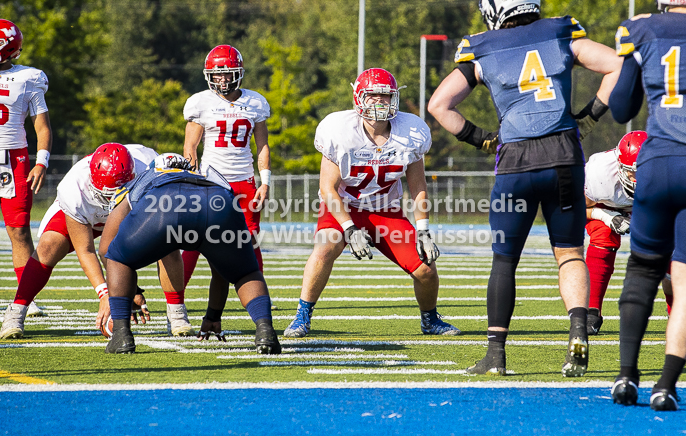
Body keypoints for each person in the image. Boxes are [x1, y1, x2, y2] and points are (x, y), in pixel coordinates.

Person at [428, 0, 622, 377]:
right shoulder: (560, 32)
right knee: (569, 254)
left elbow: (439, 105)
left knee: (505, 260)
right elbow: (617, 63)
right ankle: (578, 332)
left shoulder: (483, 47)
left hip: (516, 162)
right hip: (564, 154)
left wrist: (483, 138)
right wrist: (590, 116)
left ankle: (495, 355)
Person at [283, 67, 458, 338]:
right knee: (325, 246)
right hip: (344, 206)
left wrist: (422, 229)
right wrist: (350, 230)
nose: (380, 101)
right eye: (373, 95)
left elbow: (417, 186)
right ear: (358, 99)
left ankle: (430, 320)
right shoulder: (339, 130)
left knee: (426, 269)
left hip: (386, 211)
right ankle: (302, 316)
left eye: (386, 96)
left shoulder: (410, 132)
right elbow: (327, 188)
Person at [0, 143, 193, 339]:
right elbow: (86, 250)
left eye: (116, 193)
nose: (111, 200)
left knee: (167, 243)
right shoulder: (73, 187)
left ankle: (177, 314)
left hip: (130, 210)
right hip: (89, 215)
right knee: (49, 245)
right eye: (107, 195)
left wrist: (130, 288)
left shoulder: (150, 168)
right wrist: (106, 294)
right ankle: (16, 311)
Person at [101, 153, 280, 355]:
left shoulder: (147, 177)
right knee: (245, 273)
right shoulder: (208, 176)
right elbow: (219, 268)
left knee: (116, 257)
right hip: (217, 201)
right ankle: (265, 329)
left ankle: (121, 335)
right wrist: (213, 315)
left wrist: (129, 290)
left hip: (162, 204)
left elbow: (106, 248)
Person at [609, 0, 686, 411]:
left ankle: (626, 375)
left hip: (657, 161)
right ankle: (667, 385)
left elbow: (622, 107)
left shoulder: (644, 30)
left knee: (642, 269)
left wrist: (631, 53)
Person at [181, 45, 272, 308]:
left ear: (239, 73)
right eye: (216, 74)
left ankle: (259, 293)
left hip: (244, 179)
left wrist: (265, 181)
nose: (221, 79)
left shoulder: (255, 102)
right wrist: (192, 178)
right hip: (211, 180)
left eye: (227, 74)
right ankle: (177, 299)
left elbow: (262, 145)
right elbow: (190, 147)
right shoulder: (201, 102)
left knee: (249, 237)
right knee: (194, 239)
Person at [0, 19, 52, 317]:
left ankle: (26, 296)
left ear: (8, 48)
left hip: (14, 158)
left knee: (19, 231)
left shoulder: (29, 78)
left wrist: (41, 161)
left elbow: (42, 125)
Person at [584, 131, 645, 334]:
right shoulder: (599, 174)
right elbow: (574, 209)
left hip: (647, 205)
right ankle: (592, 310)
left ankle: (676, 309)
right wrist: (606, 217)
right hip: (605, 204)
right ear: (620, 166)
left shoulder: (670, 171)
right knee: (603, 234)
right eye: (633, 172)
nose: (638, 178)